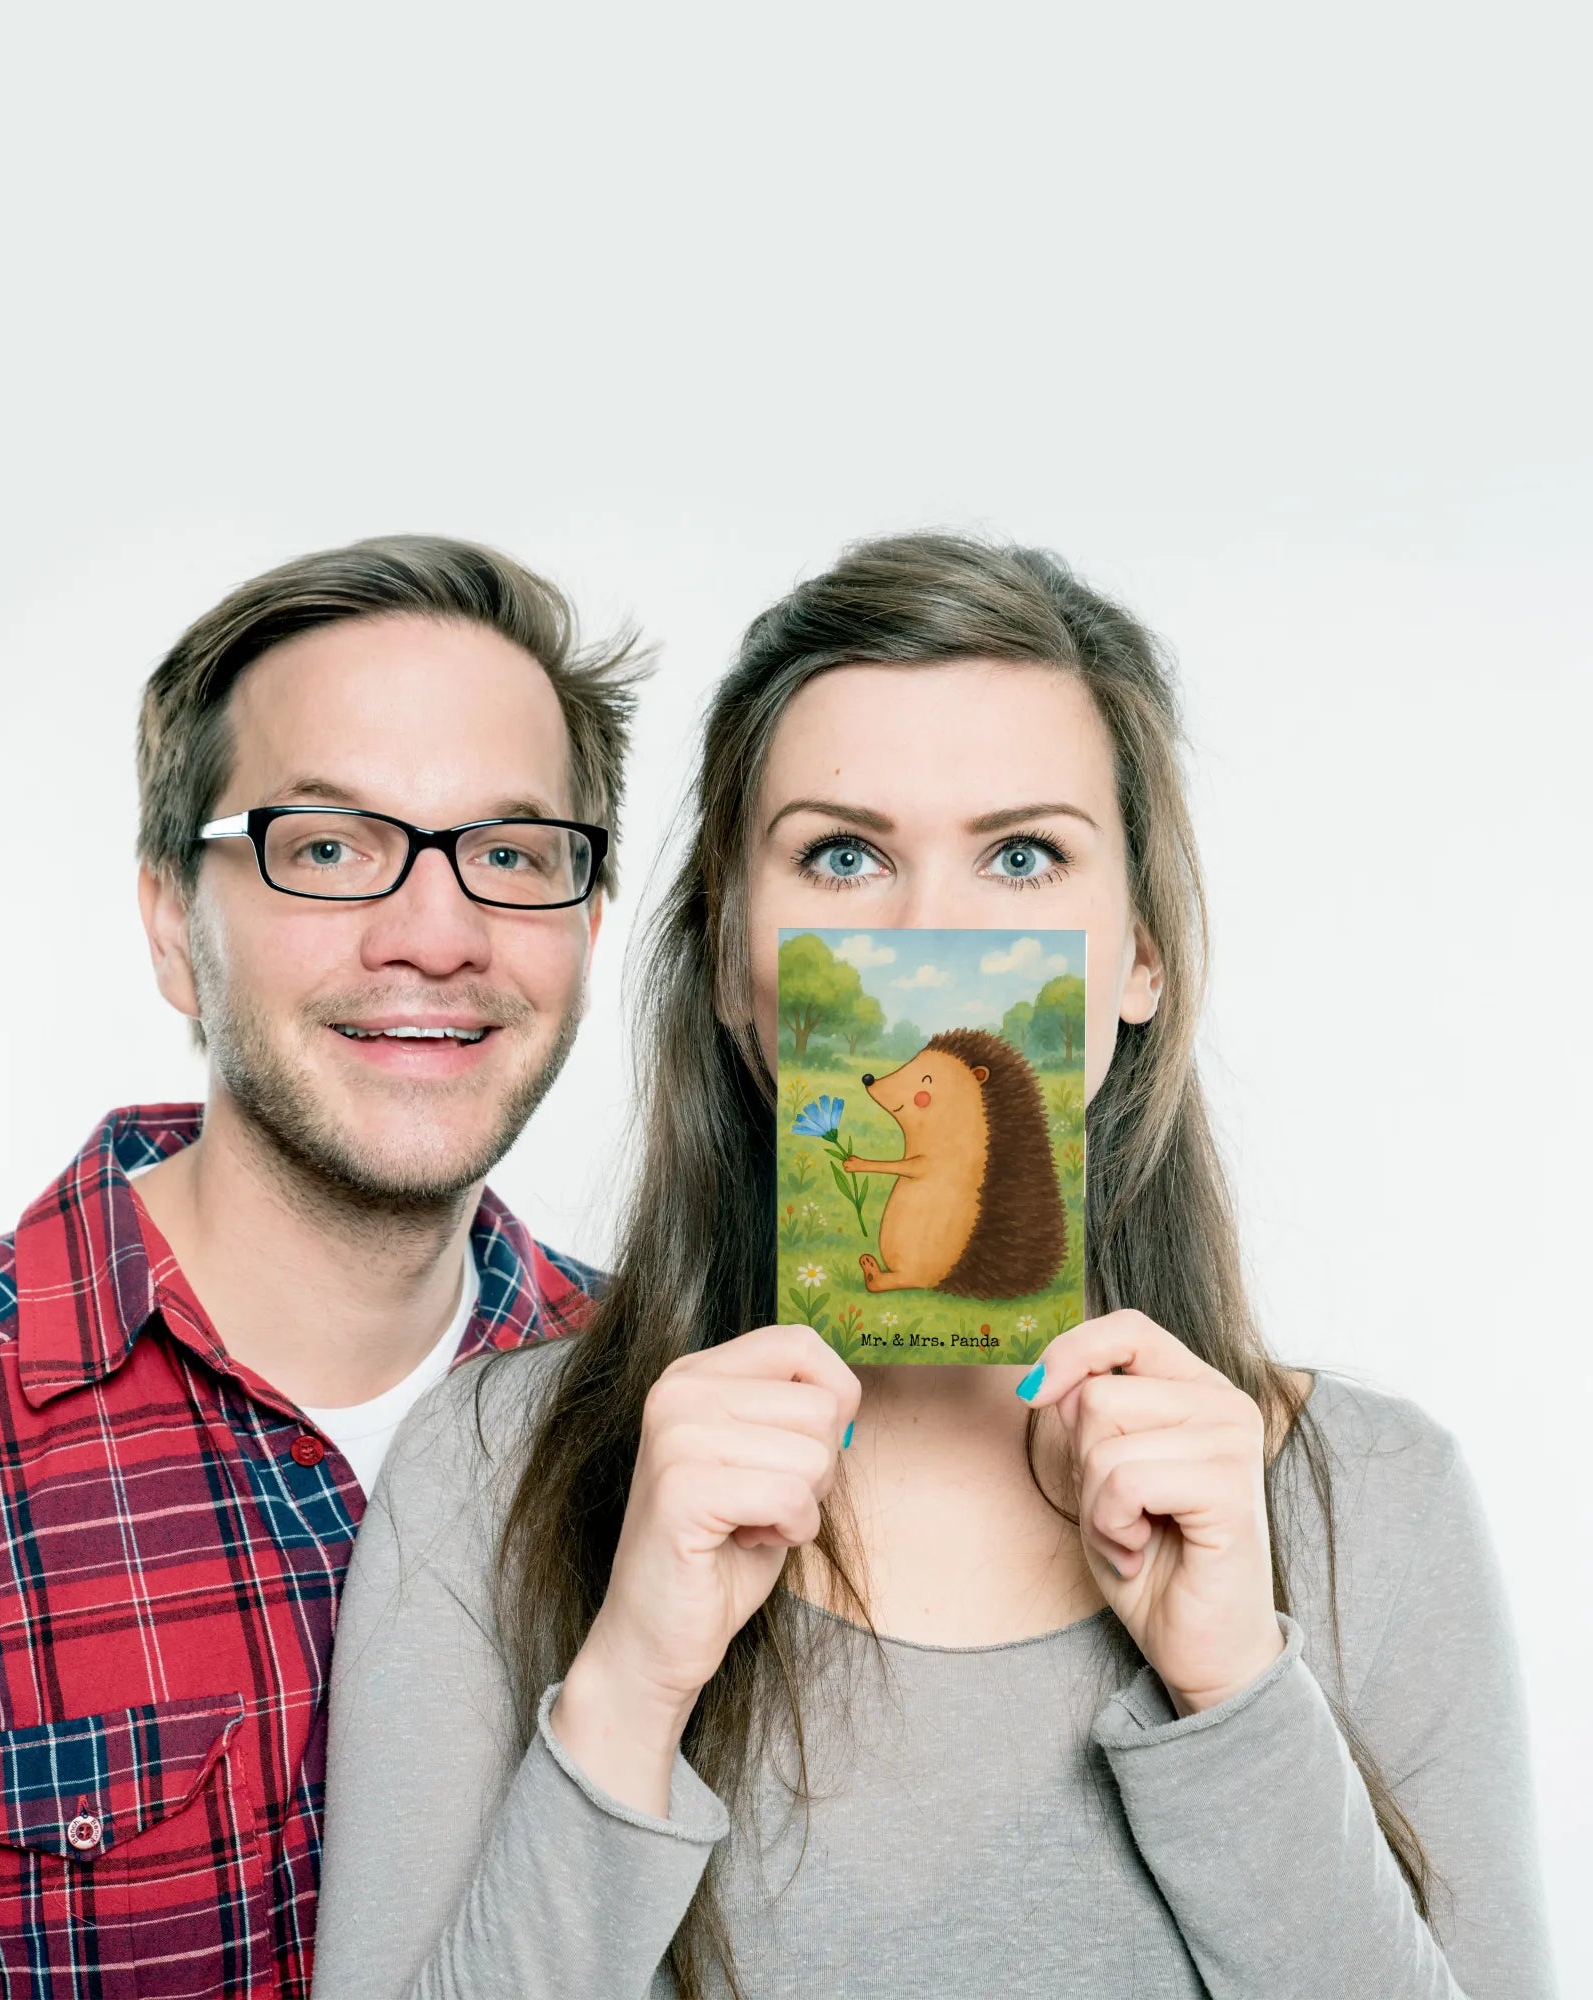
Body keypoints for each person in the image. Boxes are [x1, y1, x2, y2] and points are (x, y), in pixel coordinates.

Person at [312, 533, 1556, 1997]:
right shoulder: (490, 1472)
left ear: (1140, 957)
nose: (931, 935)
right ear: (728, 959)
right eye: (843, 856)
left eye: (1023, 857)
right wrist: (631, 1681)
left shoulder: (1376, 1501)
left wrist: (1234, 1689)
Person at [0, 535, 643, 1998]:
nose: (437, 934)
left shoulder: (660, 1395)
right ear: (171, 926)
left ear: (586, 922)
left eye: (512, 856)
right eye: (328, 848)